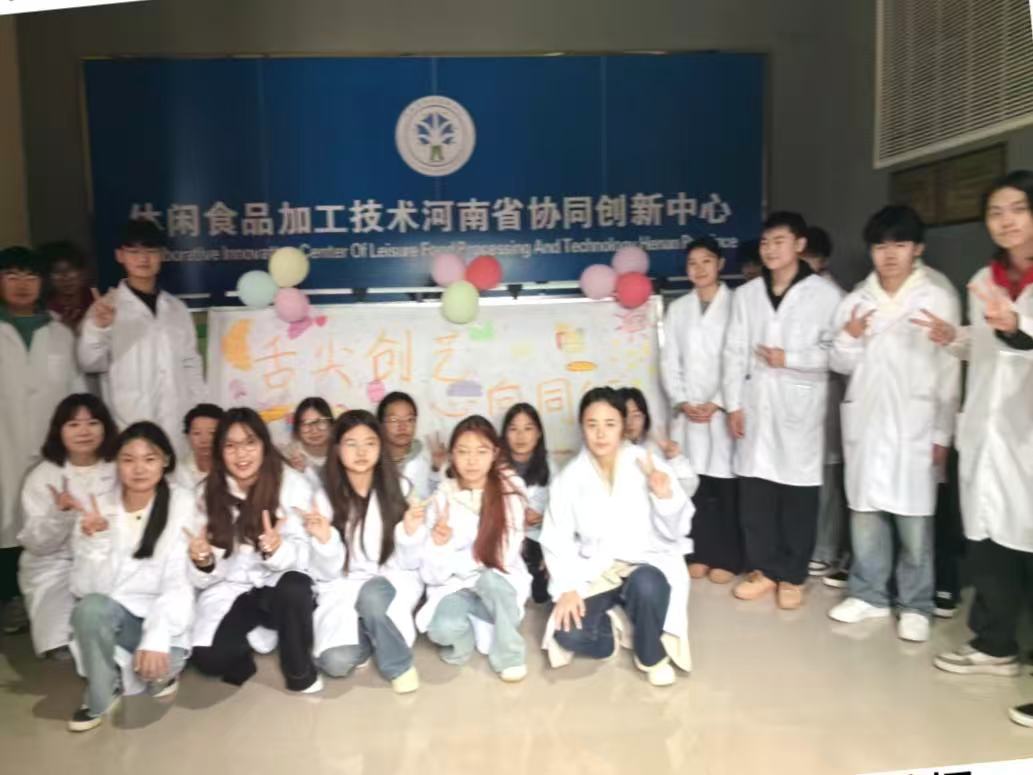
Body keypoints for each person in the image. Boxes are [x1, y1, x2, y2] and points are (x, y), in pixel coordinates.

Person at [911, 171, 1033, 728]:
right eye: (995, 212)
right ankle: (995, 644)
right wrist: (954, 338)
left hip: (1025, 436)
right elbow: (986, 351)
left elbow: (1016, 338)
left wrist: (1018, 325)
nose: (1005, 221)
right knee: (991, 545)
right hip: (988, 434)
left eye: (1017, 209)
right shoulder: (985, 278)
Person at [826, 205, 961, 643]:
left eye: (899, 245)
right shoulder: (856, 300)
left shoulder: (937, 296)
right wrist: (850, 336)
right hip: (868, 421)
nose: (889, 254)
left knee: (914, 523)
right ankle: (869, 594)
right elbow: (839, 362)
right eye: (880, 246)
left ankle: (916, 604)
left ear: (917, 249)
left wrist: (942, 433)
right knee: (866, 516)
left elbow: (949, 370)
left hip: (915, 422)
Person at [722, 211, 842, 610]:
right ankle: (764, 570)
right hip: (755, 403)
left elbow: (836, 354)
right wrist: (733, 403)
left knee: (797, 496)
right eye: (765, 242)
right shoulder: (746, 295)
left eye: (779, 241)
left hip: (799, 404)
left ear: (799, 244)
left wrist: (789, 358)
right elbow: (733, 351)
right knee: (756, 493)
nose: (770, 249)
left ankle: (793, 575)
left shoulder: (826, 295)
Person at [540, 387, 693, 687]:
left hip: (646, 562)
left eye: (609, 424)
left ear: (623, 426)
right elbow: (556, 537)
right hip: (597, 568)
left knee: (648, 585)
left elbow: (677, 532)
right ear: (582, 428)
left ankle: (650, 655)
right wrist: (568, 588)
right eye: (592, 424)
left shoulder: (649, 464)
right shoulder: (569, 478)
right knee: (569, 634)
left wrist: (664, 497)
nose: (600, 433)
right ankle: (613, 629)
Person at [66, 422, 194, 732]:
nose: (139, 469)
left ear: (165, 461)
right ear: (116, 462)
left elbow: (179, 581)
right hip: (115, 615)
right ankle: (101, 692)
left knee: (159, 673)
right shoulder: (98, 507)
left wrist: (156, 637)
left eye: (149, 459)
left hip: (163, 618)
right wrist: (95, 541)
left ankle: (160, 671)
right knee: (89, 608)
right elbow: (84, 588)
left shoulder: (182, 503)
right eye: (128, 459)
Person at [186, 408, 322, 693]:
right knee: (209, 659)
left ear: (264, 445)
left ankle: (299, 672)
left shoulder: (291, 484)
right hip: (233, 588)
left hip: (276, 587)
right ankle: (250, 640)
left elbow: (307, 555)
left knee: (295, 586)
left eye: (250, 443)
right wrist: (205, 562)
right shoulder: (206, 493)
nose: (241, 454)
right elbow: (202, 570)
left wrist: (277, 550)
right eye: (230, 446)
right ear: (220, 451)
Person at [307, 410, 423, 693]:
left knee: (372, 596)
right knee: (335, 663)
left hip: (391, 579)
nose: (361, 452)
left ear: (380, 447)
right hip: (344, 586)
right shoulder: (323, 499)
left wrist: (409, 533)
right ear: (337, 449)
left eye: (370, 443)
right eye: (351, 444)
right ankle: (376, 631)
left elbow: (410, 562)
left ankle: (399, 665)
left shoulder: (400, 489)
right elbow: (325, 574)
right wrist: (325, 541)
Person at [1, 246, 84, 635]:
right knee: (6, 524)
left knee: (50, 521)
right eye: (12, 275)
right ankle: (11, 600)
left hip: (50, 450)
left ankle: (52, 604)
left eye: (30, 276)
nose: (22, 284)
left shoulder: (60, 334)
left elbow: (76, 395)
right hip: (5, 443)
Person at [415, 415, 531, 683]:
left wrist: (457, 560)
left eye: (481, 451)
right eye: (463, 451)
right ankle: (467, 633)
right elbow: (431, 573)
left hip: (498, 579)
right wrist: (440, 545)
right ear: (452, 455)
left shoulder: (511, 492)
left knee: (492, 582)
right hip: (455, 585)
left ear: (495, 454)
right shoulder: (441, 498)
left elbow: (502, 556)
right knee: (442, 631)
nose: (472, 460)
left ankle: (510, 656)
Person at [77, 219, 207, 455]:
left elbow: (191, 364)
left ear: (162, 255)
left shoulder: (176, 309)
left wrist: (199, 414)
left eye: (150, 250)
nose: (143, 258)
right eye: (134, 251)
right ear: (120, 256)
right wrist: (100, 328)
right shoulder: (105, 308)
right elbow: (89, 363)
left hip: (178, 424)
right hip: (128, 424)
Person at [661, 237, 741, 584]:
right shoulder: (678, 309)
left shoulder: (738, 305)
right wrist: (682, 400)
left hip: (723, 410)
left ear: (720, 264)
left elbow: (741, 359)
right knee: (694, 487)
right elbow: (669, 360)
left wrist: (720, 401)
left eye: (706, 261)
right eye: (692, 263)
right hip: (690, 411)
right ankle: (698, 553)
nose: (699, 269)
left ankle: (727, 557)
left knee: (724, 488)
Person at [17, 394, 118, 659]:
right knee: (59, 641)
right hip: (56, 561)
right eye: (73, 424)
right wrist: (59, 515)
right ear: (59, 431)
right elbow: (37, 544)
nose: (84, 431)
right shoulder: (43, 475)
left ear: (105, 428)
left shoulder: (120, 466)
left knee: (112, 624)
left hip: (109, 555)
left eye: (93, 423)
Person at [498, 402, 558, 603]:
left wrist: (544, 517)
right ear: (505, 434)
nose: (521, 436)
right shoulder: (495, 467)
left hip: (537, 539)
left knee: (542, 593)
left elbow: (561, 512)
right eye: (513, 429)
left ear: (538, 433)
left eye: (528, 428)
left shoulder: (550, 467)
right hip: (504, 539)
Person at [619, 387, 699, 502]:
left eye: (636, 415)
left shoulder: (651, 450)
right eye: (624, 416)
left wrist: (674, 458)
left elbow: (688, 488)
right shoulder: (606, 453)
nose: (629, 422)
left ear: (645, 418)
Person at [376, 391, 446, 499]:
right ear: (380, 424)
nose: (402, 426)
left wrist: (435, 469)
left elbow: (432, 499)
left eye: (409, 419)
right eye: (394, 420)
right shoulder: (372, 460)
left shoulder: (426, 459)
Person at [39, 241, 93, 331]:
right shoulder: (45, 313)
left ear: (82, 272)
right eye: (57, 272)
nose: (65, 277)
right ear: (48, 277)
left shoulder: (96, 301)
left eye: (71, 270)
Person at [283, 396, 333, 488]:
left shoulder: (342, 451)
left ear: (331, 424)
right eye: (306, 424)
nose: (314, 430)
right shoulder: (289, 455)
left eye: (320, 422)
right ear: (297, 428)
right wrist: (295, 474)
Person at [174, 403, 223, 494]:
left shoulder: (233, 468)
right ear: (187, 437)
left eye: (212, 433)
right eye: (197, 433)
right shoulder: (178, 471)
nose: (204, 440)